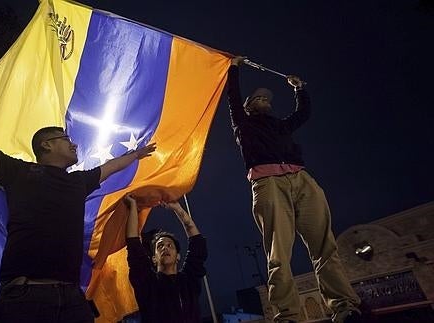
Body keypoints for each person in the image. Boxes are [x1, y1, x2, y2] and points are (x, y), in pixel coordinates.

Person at [0, 89, 156, 323]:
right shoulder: (17, 172)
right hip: (25, 299)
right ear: (47, 145)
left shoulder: (80, 181)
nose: (73, 144)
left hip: (72, 299)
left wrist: (136, 154)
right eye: (66, 139)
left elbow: (112, 167)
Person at [226, 57, 361, 323]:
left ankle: (345, 307)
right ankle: (287, 314)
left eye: (267, 99)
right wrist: (233, 68)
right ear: (249, 107)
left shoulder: (280, 125)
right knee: (278, 252)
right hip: (269, 183)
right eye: (259, 99)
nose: (266, 101)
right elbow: (232, 97)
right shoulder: (243, 123)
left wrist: (299, 89)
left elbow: (303, 114)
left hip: (300, 178)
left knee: (324, 245)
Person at [123, 194, 207, 323]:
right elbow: (133, 243)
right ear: (154, 258)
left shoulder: (189, 280)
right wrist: (133, 206)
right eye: (160, 246)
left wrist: (178, 209)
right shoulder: (147, 283)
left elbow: (197, 244)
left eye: (170, 245)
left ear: (178, 256)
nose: (165, 248)